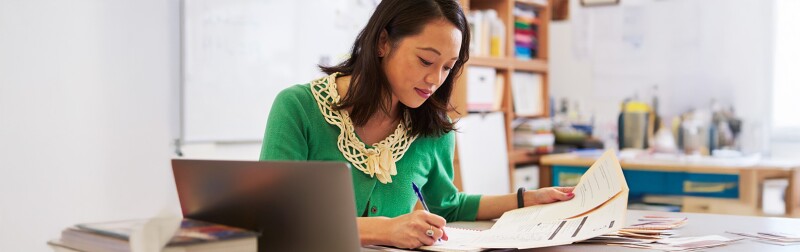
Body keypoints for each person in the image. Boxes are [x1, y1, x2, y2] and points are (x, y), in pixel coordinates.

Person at [260, 0, 574, 249]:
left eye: (447, 68)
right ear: (383, 42)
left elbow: (447, 207)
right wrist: (383, 230)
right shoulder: (299, 108)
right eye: (425, 61)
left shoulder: (434, 129)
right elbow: (277, 219)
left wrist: (526, 200)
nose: (434, 80)